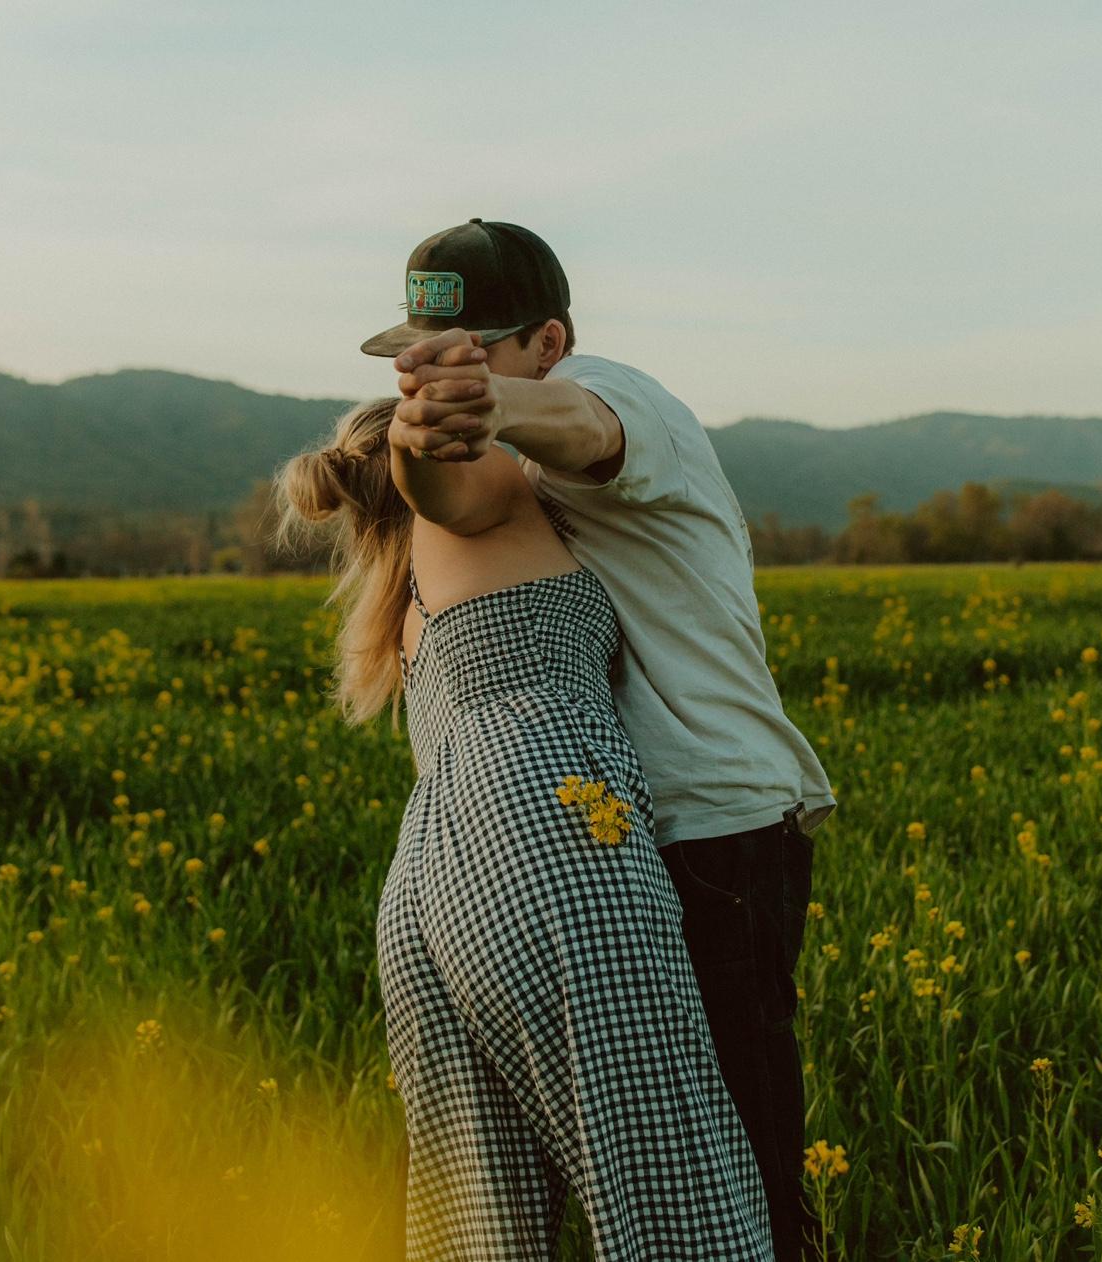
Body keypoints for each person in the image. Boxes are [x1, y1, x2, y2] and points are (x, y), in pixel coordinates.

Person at [362, 218, 837, 1262]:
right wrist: (417, 441)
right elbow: (447, 490)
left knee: (735, 1183)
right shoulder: (497, 473)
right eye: (424, 357)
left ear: (548, 340)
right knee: (657, 1192)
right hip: (601, 835)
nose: (448, 374)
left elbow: (580, 422)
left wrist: (487, 405)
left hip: (713, 830)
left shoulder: (617, 395)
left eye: (476, 351)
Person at [272, 396, 778, 1260]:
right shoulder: (477, 496)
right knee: (672, 1186)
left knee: (477, 1229)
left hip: (429, 884)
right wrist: (441, 422)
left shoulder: (406, 596)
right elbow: (445, 475)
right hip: (547, 835)